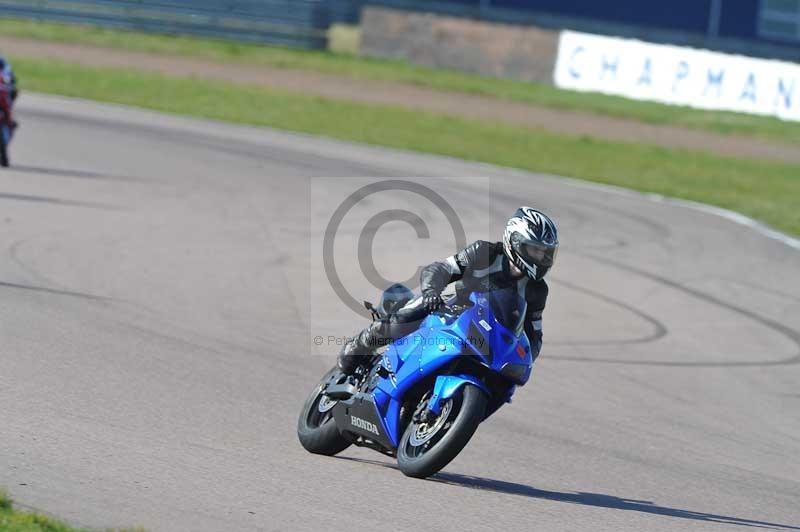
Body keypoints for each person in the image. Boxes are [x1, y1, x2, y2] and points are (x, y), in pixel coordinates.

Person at [337, 206, 559, 375]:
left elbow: (534, 333)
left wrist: (526, 357)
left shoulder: (538, 290)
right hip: (453, 310)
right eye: (534, 249)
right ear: (515, 241)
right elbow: (443, 268)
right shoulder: (485, 252)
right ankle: (361, 344)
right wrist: (432, 291)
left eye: (544, 252)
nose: (540, 258)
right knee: (410, 314)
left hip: (490, 333)